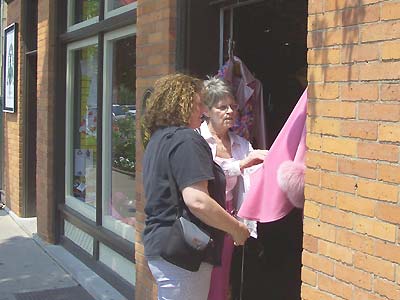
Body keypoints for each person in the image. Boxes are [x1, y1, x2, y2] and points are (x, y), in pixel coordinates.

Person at [142, 74, 250, 300]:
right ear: (184, 104)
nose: (202, 111)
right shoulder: (187, 140)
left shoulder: (158, 139)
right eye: (199, 104)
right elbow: (197, 200)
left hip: (161, 246)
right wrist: (236, 228)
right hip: (182, 251)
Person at [200, 77, 268, 300]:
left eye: (234, 106)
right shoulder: (196, 140)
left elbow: (252, 180)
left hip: (228, 217)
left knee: (221, 276)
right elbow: (210, 174)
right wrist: (241, 164)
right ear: (207, 111)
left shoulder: (241, 143)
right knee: (200, 275)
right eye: (222, 107)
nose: (230, 111)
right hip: (202, 215)